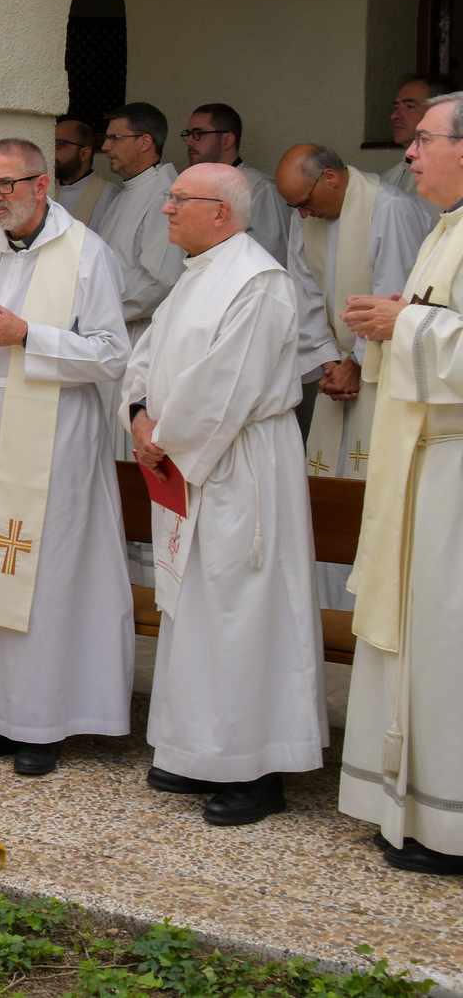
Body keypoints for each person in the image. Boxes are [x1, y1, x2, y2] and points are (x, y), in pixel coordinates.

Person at [121, 162, 326, 826]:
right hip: (191, 456)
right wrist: (141, 416)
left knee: (243, 611)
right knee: (197, 607)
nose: (166, 209)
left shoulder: (257, 282)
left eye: (179, 200)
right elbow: (146, 358)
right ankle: (198, 748)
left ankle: (256, 767)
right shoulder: (198, 275)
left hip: (240, 466)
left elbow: (227, 388)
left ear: (221, 211)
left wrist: (164, 435)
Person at [0, 139, 133, 777]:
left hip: (56, 448)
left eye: (6, 185)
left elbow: (110, 354)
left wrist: (28, 335)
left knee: (46, 582)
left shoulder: (87, 255)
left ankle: (43, 724)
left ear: (41, 185)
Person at [337, 89, 463, 875]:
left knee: (449, 641)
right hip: (425, 465)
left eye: (423, 139)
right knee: (418, 635)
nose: (409, 154)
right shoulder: (444, 232)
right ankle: (411, 803)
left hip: (455, 471)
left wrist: (403, 324)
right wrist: (398, 317)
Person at [274, 144, 430, 609]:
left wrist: (357, 362)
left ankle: (367, 608)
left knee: (371, 488)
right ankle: (322, 607)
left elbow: (396, 292)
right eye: (294, 207)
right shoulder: (309, 218)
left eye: (305, 201)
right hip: (337, 374)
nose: (302, 215)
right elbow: (300, 290)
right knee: (323, 491)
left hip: (384, 372)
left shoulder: (391, 209)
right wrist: (327, 360)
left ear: (331, 178)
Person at [95, 102, 184, 458]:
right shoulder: (129, 192)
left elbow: (159, 281)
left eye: (115, 138)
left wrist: (95, 305)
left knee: (124, 446)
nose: (106, 146)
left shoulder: (165, 195)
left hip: (138, 335)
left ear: (145, 141)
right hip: (113, 330)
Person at [180, 103, 291, 263]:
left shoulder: (260, 188)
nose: (189, 142)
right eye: (189, 134)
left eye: (198, 133)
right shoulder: (195, 190)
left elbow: (272, 261)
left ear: (227, 140)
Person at [380, 73, 455, 214]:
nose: (395, 115)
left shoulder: (454, 184)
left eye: (410, 106)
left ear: (438, 111)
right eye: (396, 107)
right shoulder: (385, 180)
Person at [53, 117, 118, 230]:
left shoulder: (110, 195)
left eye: (60, 144)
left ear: (84, 153)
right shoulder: (46, 192)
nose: (52, 151)